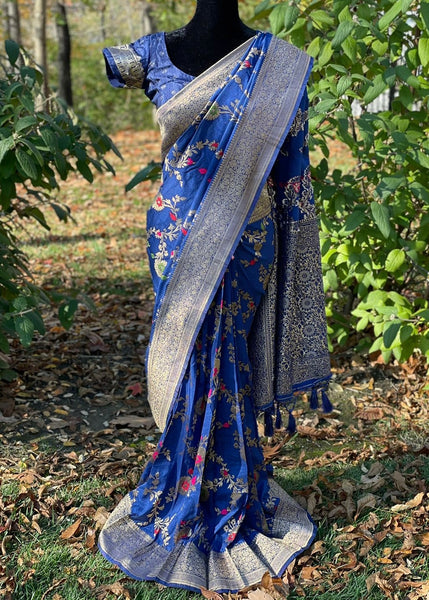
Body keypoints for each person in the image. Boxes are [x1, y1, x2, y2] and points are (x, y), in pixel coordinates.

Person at [98, 0, 332, 593]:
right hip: (177, 239)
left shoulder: (279, 66)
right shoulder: (150, 55)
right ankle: (188, 483)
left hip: (247, 238)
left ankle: (226, 488)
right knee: (188, 364)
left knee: (231, 361)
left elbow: (290, 171)